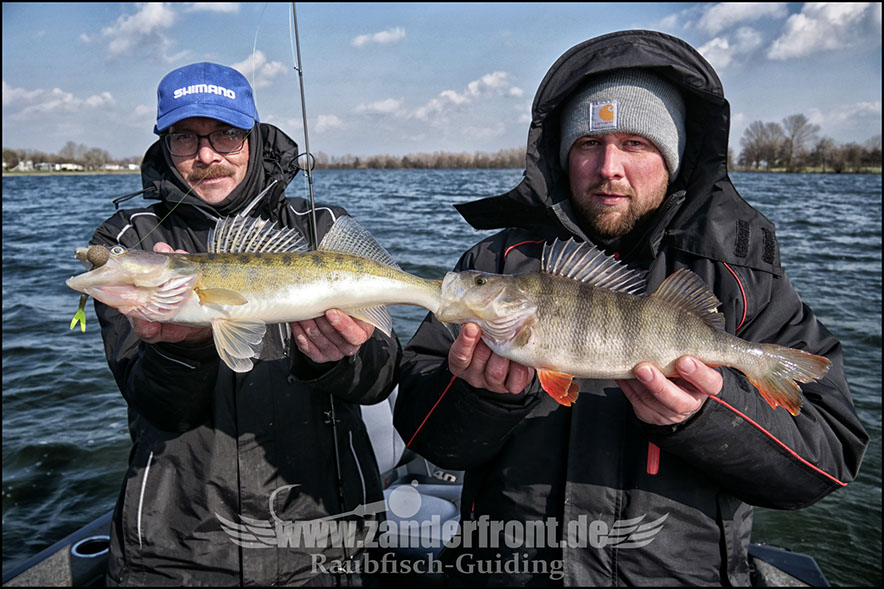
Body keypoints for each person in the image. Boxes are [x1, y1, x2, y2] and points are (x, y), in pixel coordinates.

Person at [394, 30, 869, 585]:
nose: (608, 167)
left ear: (673, 156)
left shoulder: (741, 276)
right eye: (588, 144)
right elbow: (423, 433)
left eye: (635, 144)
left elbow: (825, 461)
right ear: (563, 157)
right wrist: (482, 399)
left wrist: (703, 417)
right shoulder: (498, 262)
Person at [90, 62, 400, 585]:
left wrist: (341, 359)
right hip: (179, 552)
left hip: (325, 540)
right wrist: (180, 349)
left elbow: (381, 380)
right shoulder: (132, 245)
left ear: (253, 137)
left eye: (226, 134)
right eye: (185, 137)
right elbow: (154, 404)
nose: (206, 155)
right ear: (165, 144)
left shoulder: (321, 229)